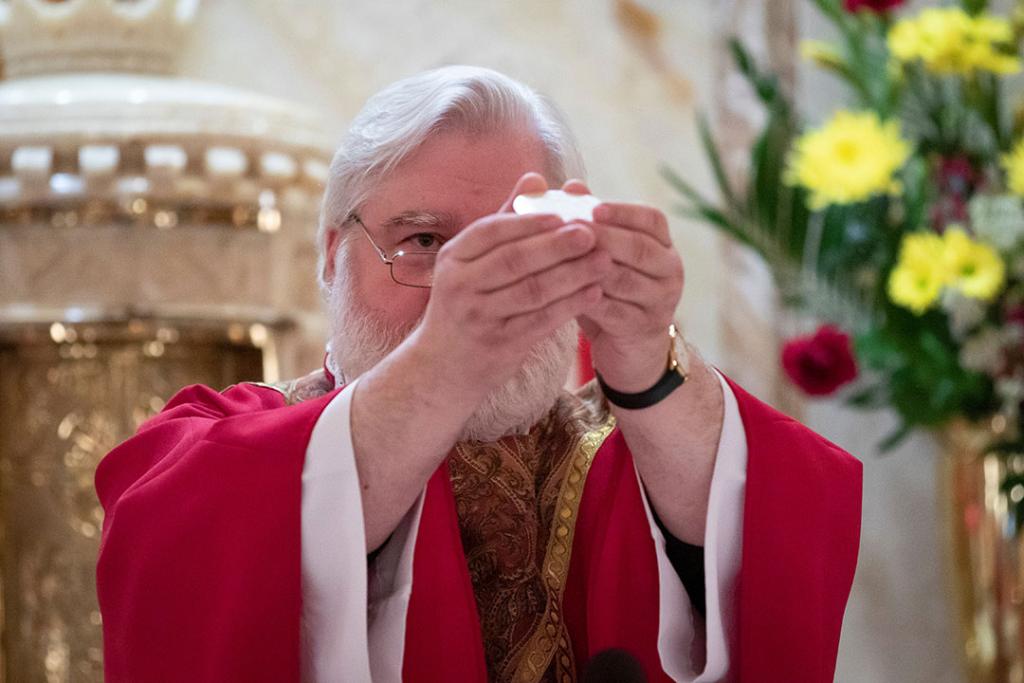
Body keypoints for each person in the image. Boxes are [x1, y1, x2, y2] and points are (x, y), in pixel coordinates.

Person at [95, 65, 862, 683]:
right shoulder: (225, 441)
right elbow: (173, 545)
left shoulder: (635, 447)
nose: (470, 279)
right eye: (425, 240)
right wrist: (443, 363)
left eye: (508, 241)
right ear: (331, 255)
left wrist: (644, 356)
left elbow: (780, 520)